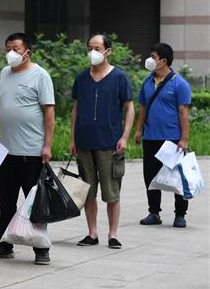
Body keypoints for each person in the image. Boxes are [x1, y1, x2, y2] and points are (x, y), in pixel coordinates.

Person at [0, 33, 56, 264]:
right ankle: (5, 243)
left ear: (27, 52)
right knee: (5, 198)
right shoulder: (5, 74)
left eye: (16, 48)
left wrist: (47, 144)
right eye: (8, 49)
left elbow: (49, 112)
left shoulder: (40, 75)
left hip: (32, 152)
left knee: (34, 201)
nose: (11, 53)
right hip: (6, 151)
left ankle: (40, 248)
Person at [70, 33, 134, 249]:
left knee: (111, 192)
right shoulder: (81, 77)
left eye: (97, 48)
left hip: (110, 143)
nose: (93, 52)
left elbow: (129, 107)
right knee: (88, 191)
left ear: (108, 51)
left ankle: (113, 234)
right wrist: (72, 139)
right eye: (90, 48)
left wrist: (125, 136)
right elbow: (75, 109)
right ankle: (92, 233)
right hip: (84, 143)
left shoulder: (119, 77)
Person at [134, 43, 192, 228]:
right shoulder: (148, 82)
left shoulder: (179, 83)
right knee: (150, 175)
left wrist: (184, 138)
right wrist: (138, 129)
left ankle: (180, 214)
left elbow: (183, 112)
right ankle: (154, 212)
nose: (150, 60)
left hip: (173, 138)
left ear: (163, 61)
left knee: (177, 176)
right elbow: (143, 107)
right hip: (150, 136)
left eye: (153, 56)